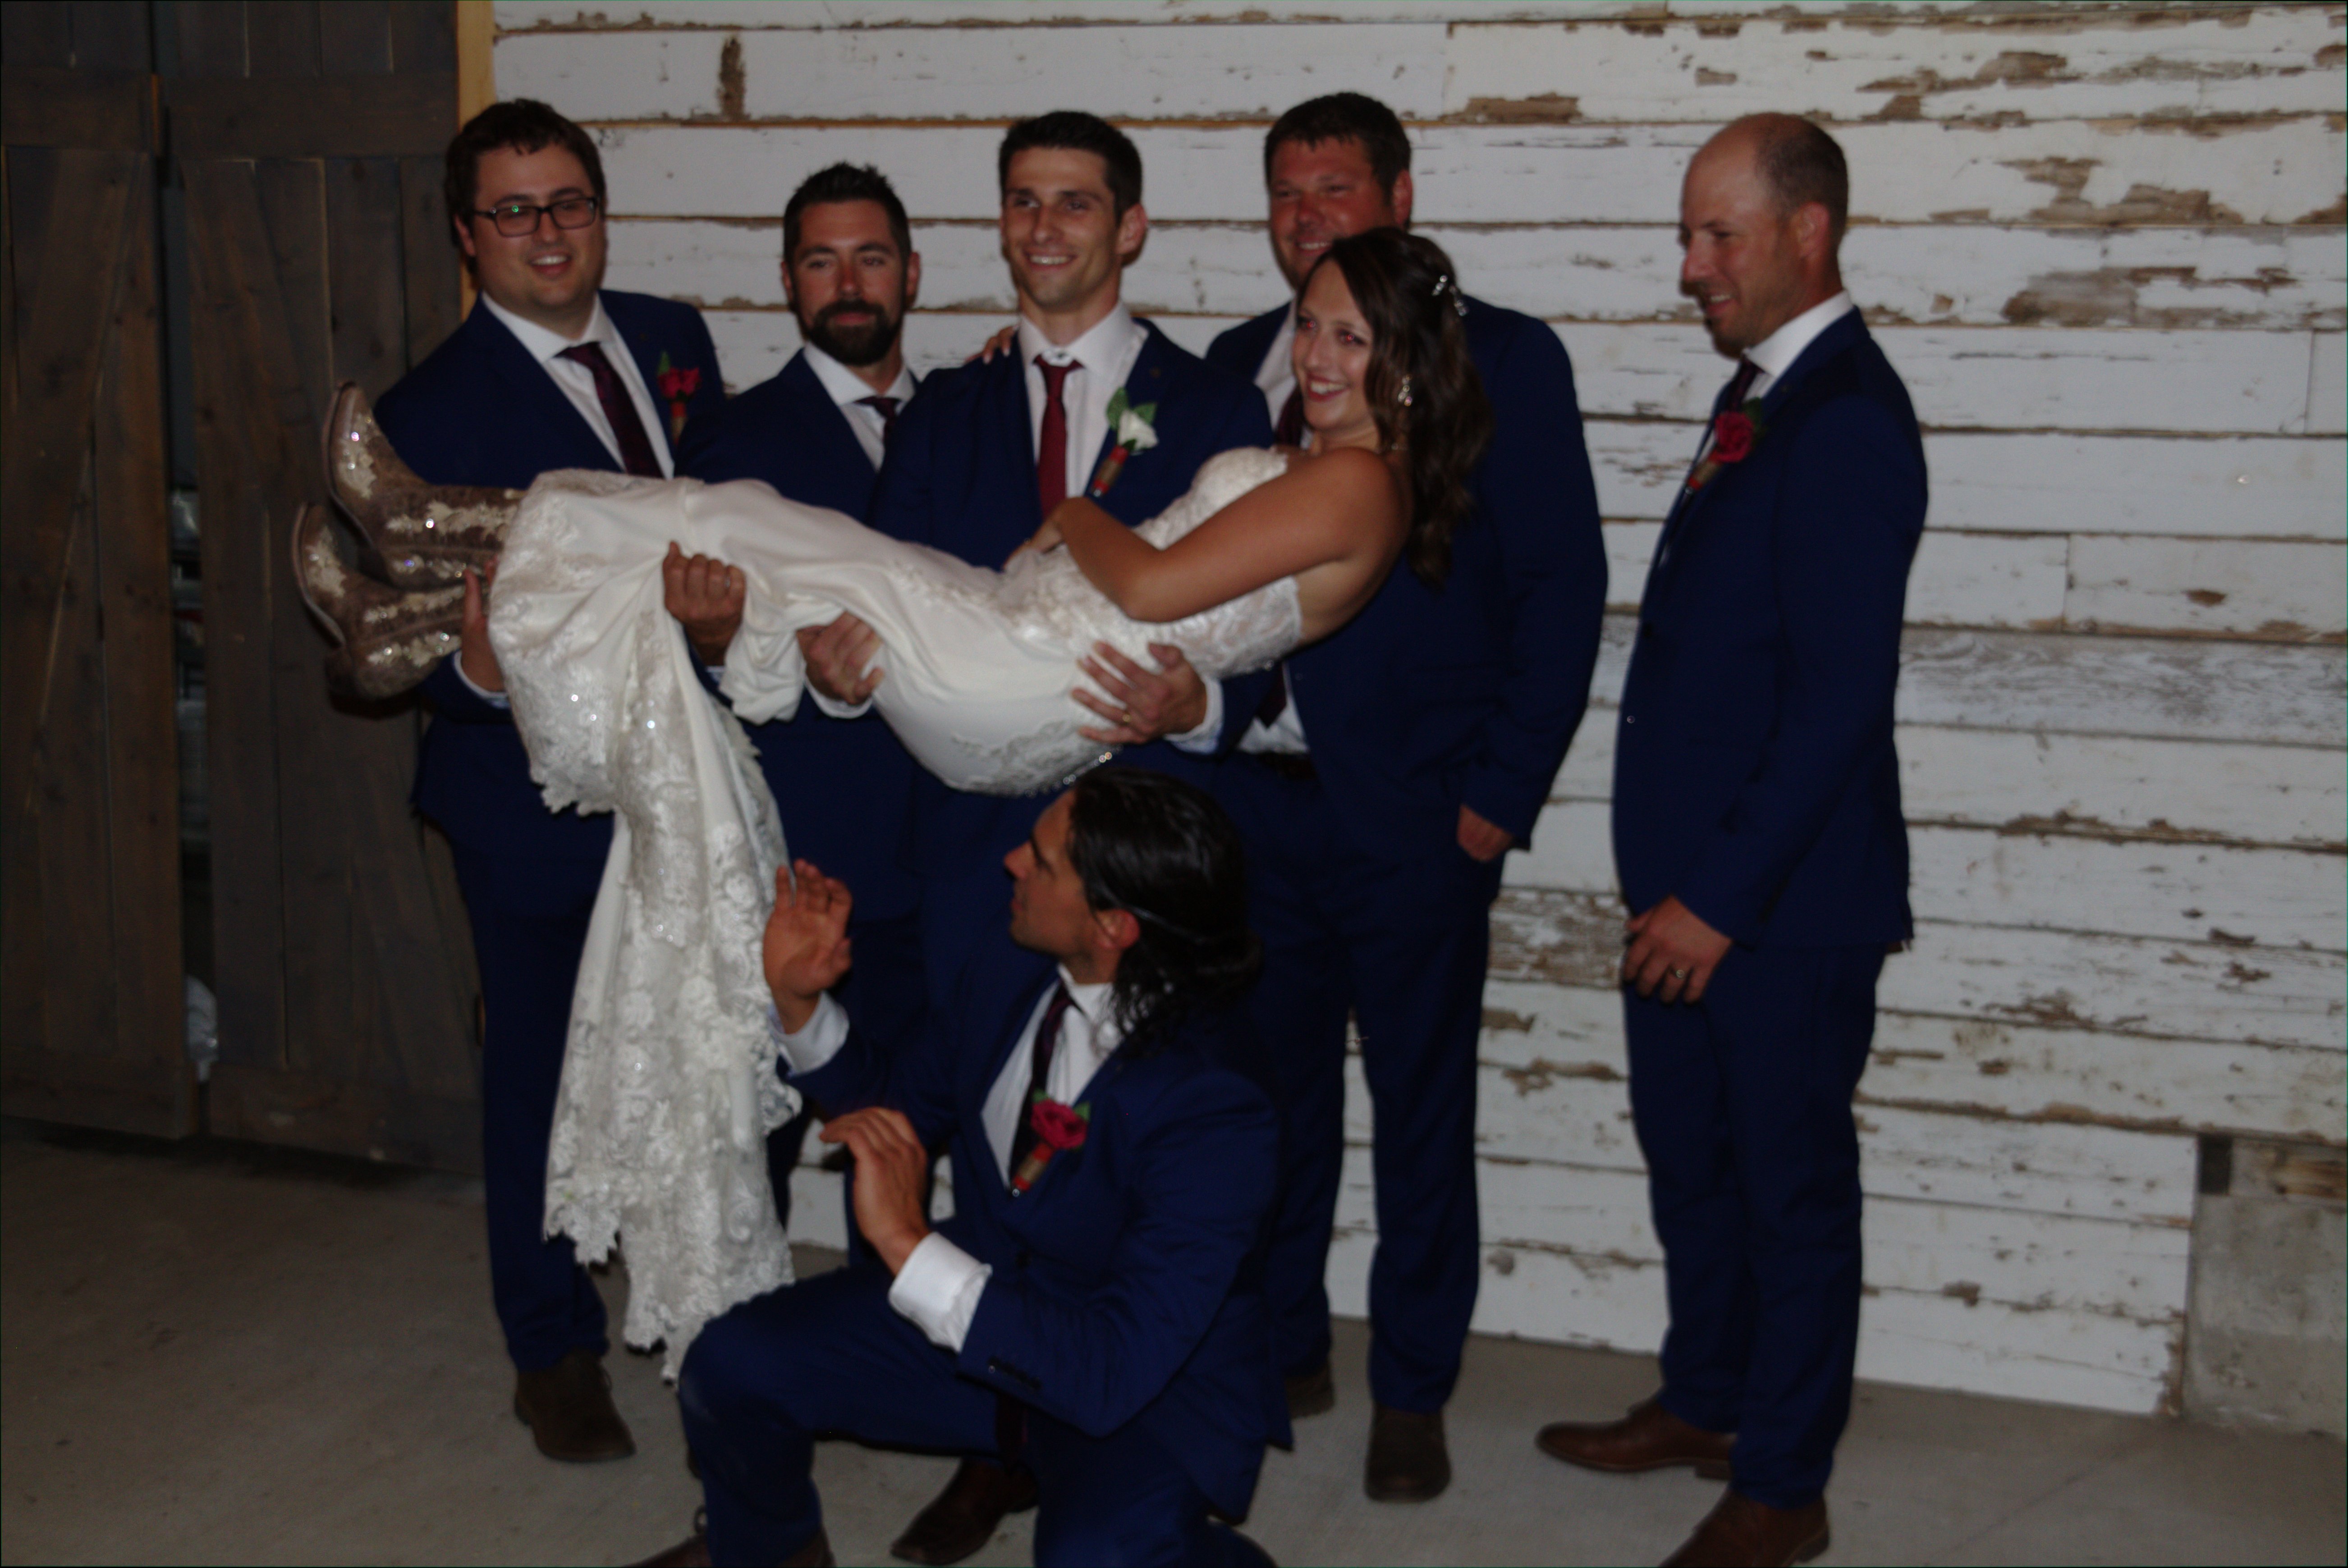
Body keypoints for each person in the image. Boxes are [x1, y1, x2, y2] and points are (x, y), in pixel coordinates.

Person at [302, 225, 1493, 1425]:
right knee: (744, 523)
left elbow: (1145, 585)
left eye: (1354, 337)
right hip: (1022, 656)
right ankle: (415, 597)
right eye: (1311, 323)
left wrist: (1081, 511)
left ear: (1408, 360)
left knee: (747, 525)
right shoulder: (1332, 463)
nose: (1317, 352)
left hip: (1030, 672)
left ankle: (428, 532)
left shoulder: (1357, 482)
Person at [1199, 91, 1609, 1503]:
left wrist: (1500, 793)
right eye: (1286, 192)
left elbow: (1562, 589)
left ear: (1401, 197)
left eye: (1335, 188)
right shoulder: (1235, 367)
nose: (1308, 216)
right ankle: (1287, 1348)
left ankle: (1415, 1388)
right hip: (1259, 815)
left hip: (1422, 818)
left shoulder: (1507, 358)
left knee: (1423, 1115)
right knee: (1272, 1102)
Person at [1532, 114, 1925, 1568]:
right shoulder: (1766, 390)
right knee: (1694, 1164)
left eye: (1720, 235)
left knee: (1789, 1192)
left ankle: (1784, 1484)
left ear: (1809, 232)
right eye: (1689, 235)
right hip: (1691, 892)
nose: (1692, 265)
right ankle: (1709, 1398)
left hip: (1779, 908)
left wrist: (1720, 898)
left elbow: (1836, 703)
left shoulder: (1851, 416)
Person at [638, 768, 1284, 1568]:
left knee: (1097, 1558)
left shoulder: (1216, 1106)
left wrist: (909, 1245)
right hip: (991, 1310)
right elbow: (896, 1108)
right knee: (729, 1364)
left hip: (1138, 1388)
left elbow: (1113, 1367)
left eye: (1041, 862)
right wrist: (800, 1004)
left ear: (1114, 925)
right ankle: (770, 1554)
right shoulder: (1012, 966)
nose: (1011, 862)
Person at [360, 96, 723, 1465]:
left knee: (691, 1051)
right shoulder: (422, 415)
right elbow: (405, 653)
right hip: (526, 799)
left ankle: (705, 1302)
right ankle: (550, 1347)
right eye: (513, 211)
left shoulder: (677, 342)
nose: (548, 232)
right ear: (469, 236)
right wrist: (479, 670)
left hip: (689, 772)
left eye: (568, 201)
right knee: (542, 1077)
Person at [665, 162, 930, 1228]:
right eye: (823, 262)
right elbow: (694, 654)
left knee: (909, 1130)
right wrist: (719, 640)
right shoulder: (736, 443)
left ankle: (894, 1319)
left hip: (945, 850)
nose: (849, 284)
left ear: (911, 272)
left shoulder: (967, 419)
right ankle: (750, 1328)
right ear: (788, 281)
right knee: (757, 1138)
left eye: (871, 258)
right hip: (803, 849)